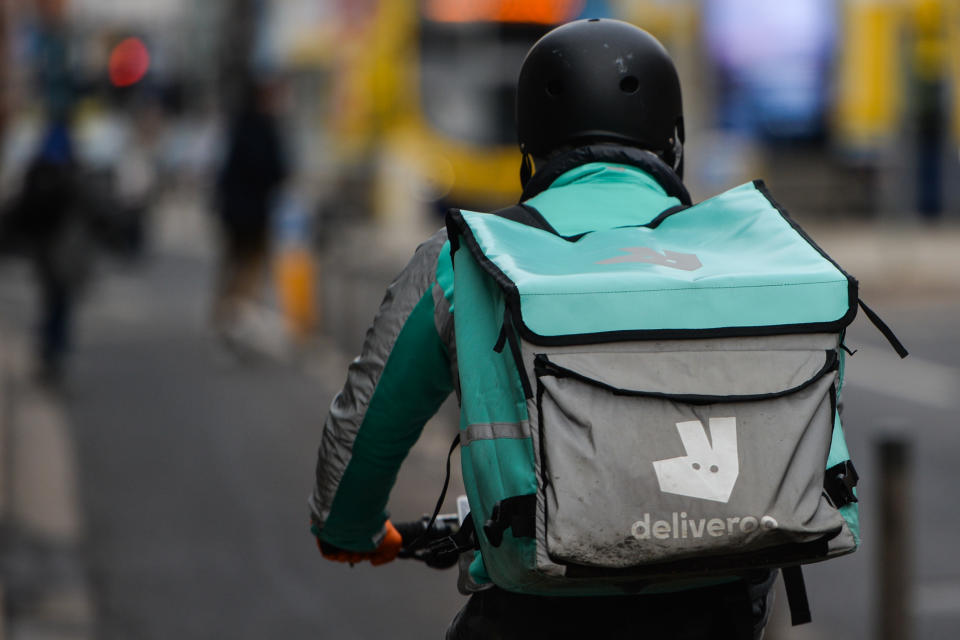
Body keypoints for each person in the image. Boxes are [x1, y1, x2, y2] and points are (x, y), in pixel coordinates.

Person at [309, 19, 776, 638]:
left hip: (534, 611)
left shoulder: (466, 261)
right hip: (719, 610)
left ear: (529, 150)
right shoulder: (743, 259)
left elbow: (367, 423)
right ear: (673, 145)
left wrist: (350, 530)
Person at [2, 121, 96, 382]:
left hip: (43, 250)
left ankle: (48, 352)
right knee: (61, 304)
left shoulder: (38, 168)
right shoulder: (72, 169)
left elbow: (22, 208)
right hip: (62, 251)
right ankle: (55, 352)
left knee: (50, 301)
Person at [211, 80, 288, 345]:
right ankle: (236, 323)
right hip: (252, 214)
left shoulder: (239, 127)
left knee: (233, 268)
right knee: (249, 270)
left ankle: (227, 320)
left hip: (234, 212)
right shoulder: (263, 128)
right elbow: (275, 169)